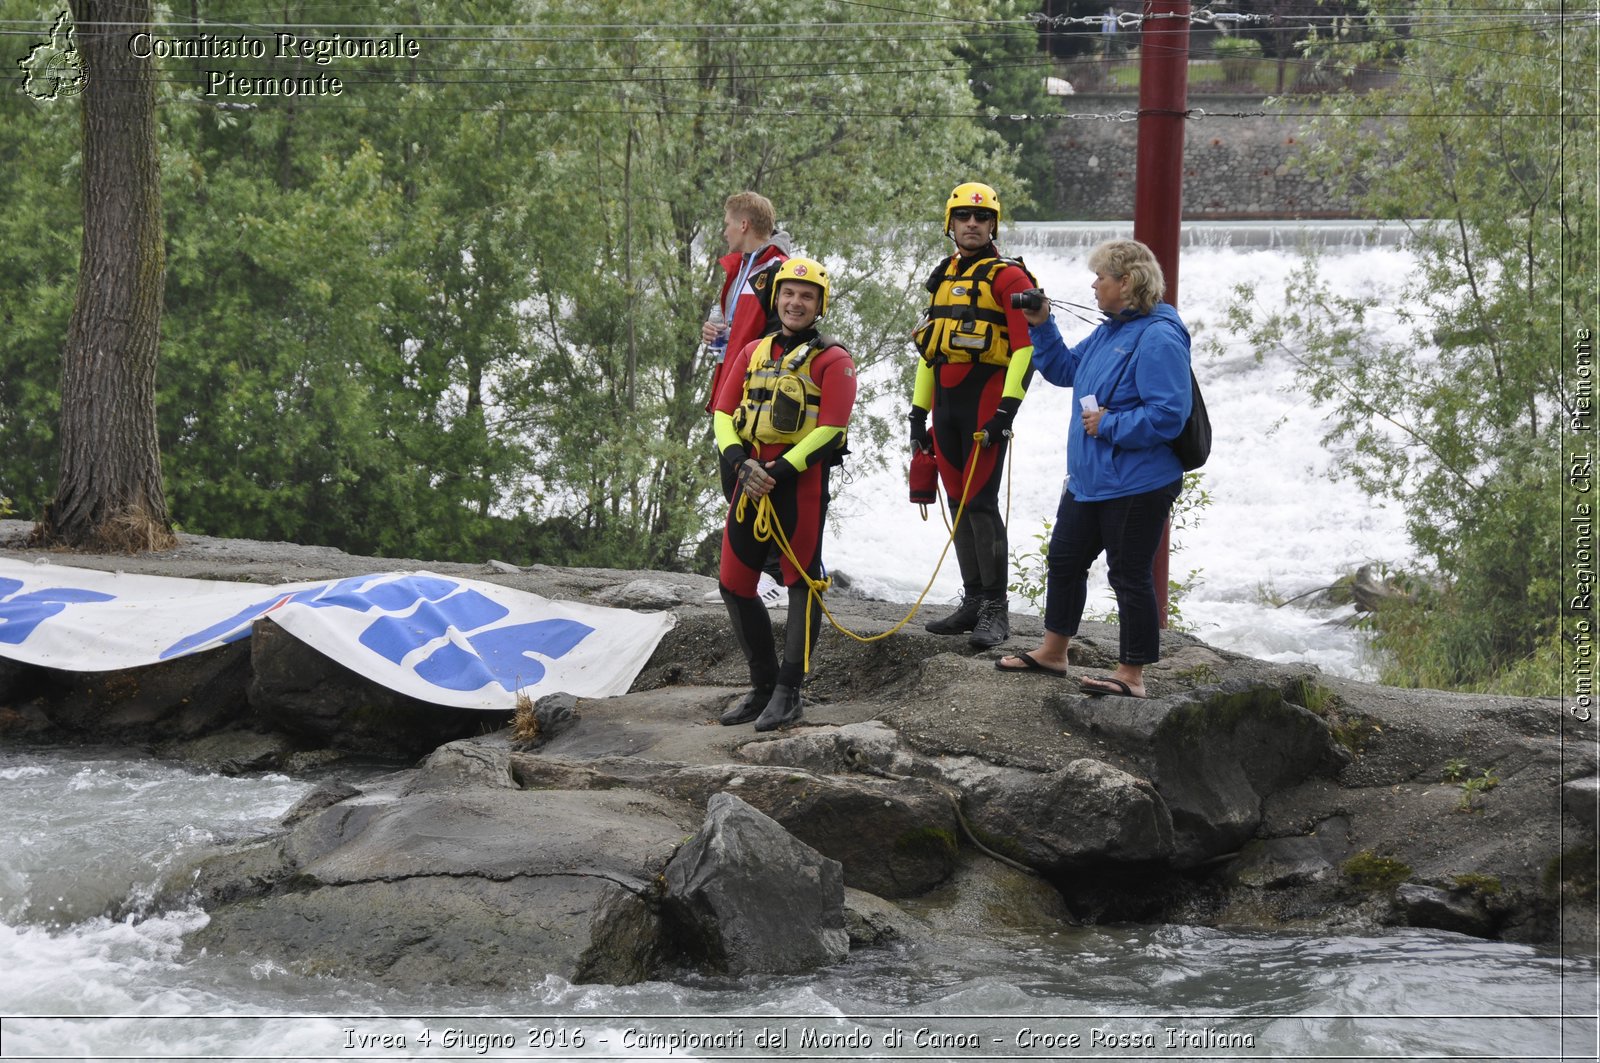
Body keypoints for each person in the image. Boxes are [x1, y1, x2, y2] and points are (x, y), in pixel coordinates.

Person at [995, 239, 1191, 699]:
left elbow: (1169, 414)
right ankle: (1054, 651)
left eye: (1101, 276)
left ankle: (1132, 676)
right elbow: (1065, 369)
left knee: (1128, 574)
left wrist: (1111, 423)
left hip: (1138, 482)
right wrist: (1042, 325)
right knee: (1064, 560)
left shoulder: (1159, 336)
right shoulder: (1110, 331)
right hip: (1091, 480)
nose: (1093, 284)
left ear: (1127, 282)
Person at [712, 257, 856, 730]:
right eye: (789, 294)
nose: (796, 302)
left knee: (800, 583)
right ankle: (762, 685)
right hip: (751, 477)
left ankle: (790, 691)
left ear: (819, 305)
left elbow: (833, 427)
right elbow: (722, 413)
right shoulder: (753, 350)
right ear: (777, 299)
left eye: (807, 296)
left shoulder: (834, 359)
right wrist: (740, 462)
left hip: (800, 484)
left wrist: (780, 468)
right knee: (733, 583)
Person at [910, 181, 1038, 648]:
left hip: (986, 403)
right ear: (950, 222)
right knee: (955, 501)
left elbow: (1028, 350)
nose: (971, 224)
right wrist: (915, 416)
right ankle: (972, 601)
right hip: (944, 406)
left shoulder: (1009, 278)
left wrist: (1006, 412)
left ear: (993, 225)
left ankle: (995, 610)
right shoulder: (942, 274)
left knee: (980, 503)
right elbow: (930, 352)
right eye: (963, 216)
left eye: (981, 218)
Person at [702, 191, 791, 419]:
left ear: (743, 225)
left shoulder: (780, 269)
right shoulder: (741, 268)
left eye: (727, 224)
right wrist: (713, 332)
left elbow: (783, 337)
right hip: (729, 389)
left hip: (755, 399)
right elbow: (737, 326)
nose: (724, 232)